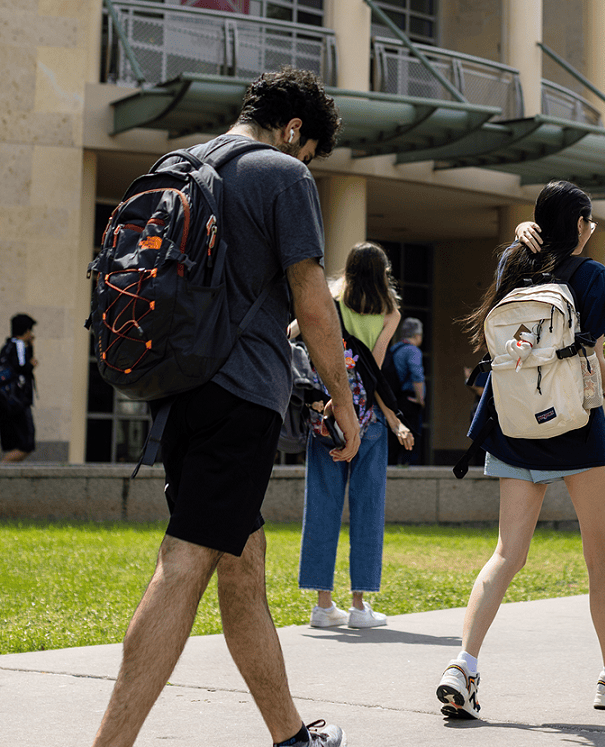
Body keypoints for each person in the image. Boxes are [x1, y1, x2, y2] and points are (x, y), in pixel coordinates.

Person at [91, 67, 359, 747]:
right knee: (184, 564)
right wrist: (343, 401)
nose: (306, 164)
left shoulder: (181, 163)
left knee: (241, 564)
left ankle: (289, 733)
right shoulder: (283, 174)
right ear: (295, 130)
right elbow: (313, 301)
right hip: (240, 398)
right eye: (308, 150)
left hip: (180, 392)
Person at [435, 180, 605, 720]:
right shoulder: (594, 277)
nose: (593, 230)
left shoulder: (512, 270)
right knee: (598, 553)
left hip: (513, 424)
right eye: (590, 221)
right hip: (575, 427)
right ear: (579, 225)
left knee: (506, 553)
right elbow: (590, 355)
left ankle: (462, 666)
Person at [293, 242, 414, 630]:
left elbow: (293, 332)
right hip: (368, 418)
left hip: (326, 416)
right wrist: (393, 419)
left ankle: (323, 605)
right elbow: (373, 369)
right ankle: (360, 606)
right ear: (382, 274)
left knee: (322, 507)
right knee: (367, 510)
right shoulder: (390, 313)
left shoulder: (329, 299)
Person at [387, 317, 425, 465]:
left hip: (394, 399)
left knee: (395, 435)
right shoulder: (413, 351)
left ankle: (392, 466)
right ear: (417, 335)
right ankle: (408, 466)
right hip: (409, 399)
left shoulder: (394, 349)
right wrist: (420, 398)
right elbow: (417, 375)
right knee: (412, 436)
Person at [0, 313, 37, 462]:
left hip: (5, 401)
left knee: (13, 445)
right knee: (26, 445)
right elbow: (22, 367)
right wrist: (31, 363)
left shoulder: (6, 346)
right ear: (26, 331)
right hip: (18, 402)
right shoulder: (19, 345)